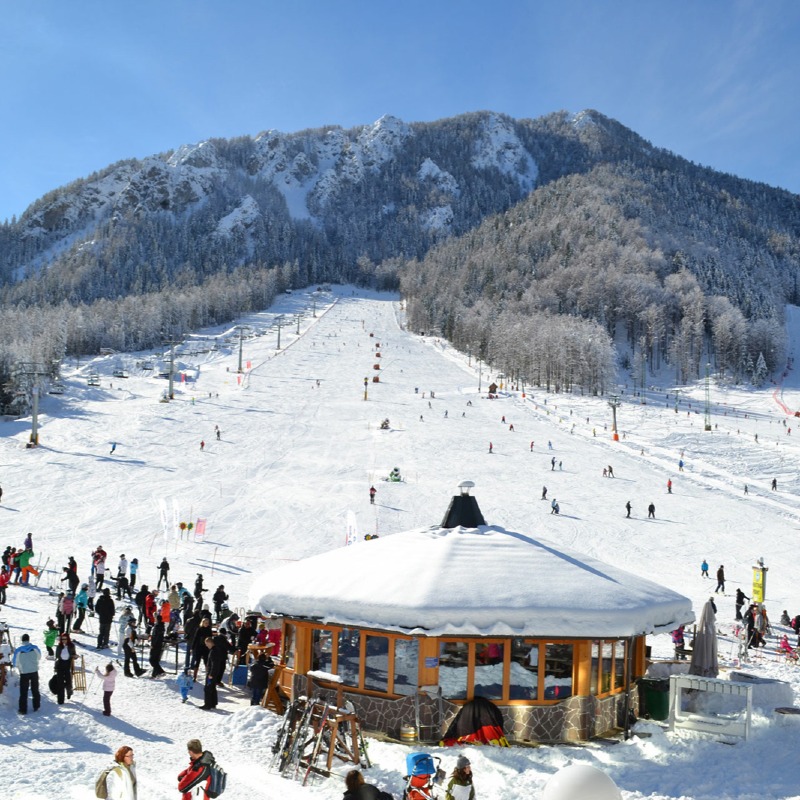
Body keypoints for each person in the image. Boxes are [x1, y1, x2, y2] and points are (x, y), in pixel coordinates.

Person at [13, 633, 41, 714]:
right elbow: (39, 657)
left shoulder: (18, 650)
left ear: (22, 640)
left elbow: (15, 663)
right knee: (35, 689)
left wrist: (20, 666)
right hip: (34, 671)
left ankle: (23, 709)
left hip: (24, 672)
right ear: (29, 639)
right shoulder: (35, 648)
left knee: (23, 691)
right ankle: (36, 706)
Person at [54, 632, 77, 704]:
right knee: (60, 683)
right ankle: (60, 700)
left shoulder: (71, 646)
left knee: (68, 681)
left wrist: (75, 656)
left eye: (65, 639)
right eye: (62, 639)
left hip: (68, 664)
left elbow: (73, 654)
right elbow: (57, 657)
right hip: (60, 664)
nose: (64, 640)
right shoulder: (59, 646)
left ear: (68, 639)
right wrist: (55, 667)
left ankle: (69, 692)